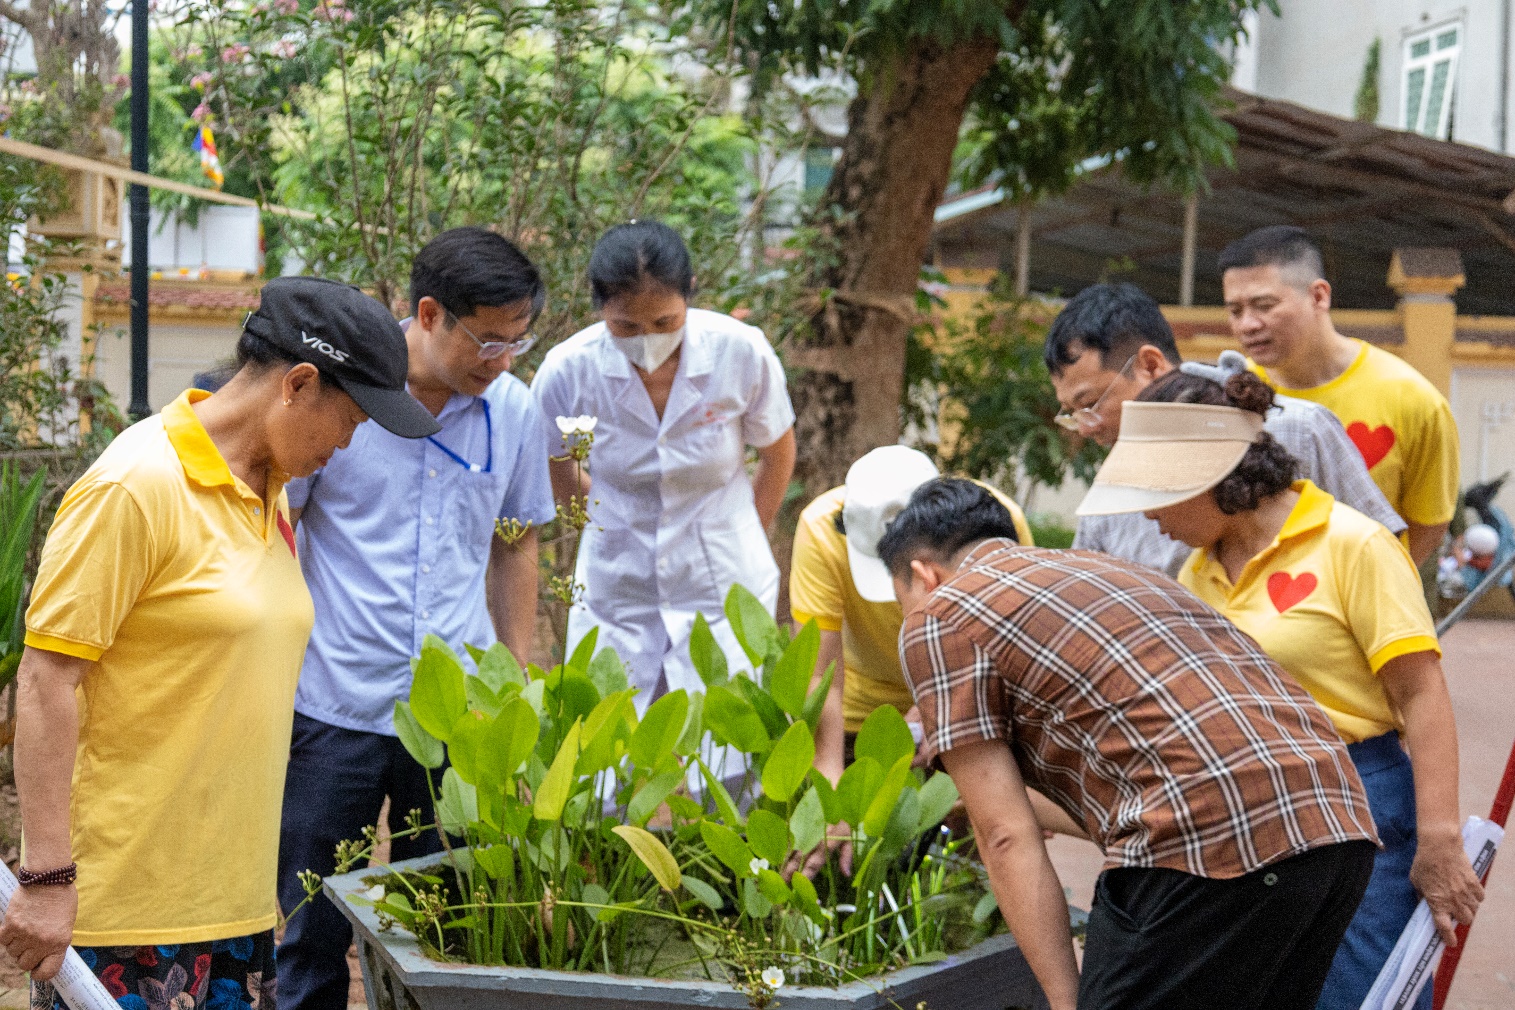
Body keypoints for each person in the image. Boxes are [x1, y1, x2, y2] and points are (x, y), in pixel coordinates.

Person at [0, 278, 435, 1006]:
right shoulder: (135, 485)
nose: (350, 442)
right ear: (299, 384)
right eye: (352, 417)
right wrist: (46, 880)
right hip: (132, 913)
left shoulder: (271, 492)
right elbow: (46, 681)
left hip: (232, 904)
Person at [885, 477, 1379, 1010]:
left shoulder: (939, 614)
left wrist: (1066, 999)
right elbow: (1147, 773)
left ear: (923, 574)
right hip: (1332, 815)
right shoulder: (1112, 571)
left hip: (1214, 836)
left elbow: (1004, 835)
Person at [1079, 372, 1485, 1010]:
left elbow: (1421, 695)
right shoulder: (1196, 572)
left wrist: (1438, 839)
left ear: (1208, 475)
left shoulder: (1353, 545)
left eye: (1154, 493)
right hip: (1250, 816)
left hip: (1359, 802)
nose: (1148, 514)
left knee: (1355, 992)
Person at [275, 228, 557, 1010]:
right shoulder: (342, 394)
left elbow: (515, 539)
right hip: (336, 701)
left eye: (517, 341)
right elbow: (282, 529)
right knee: (312, 921)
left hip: (457, 711)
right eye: (487, 341)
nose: (500, 359)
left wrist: (512, 670)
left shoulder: (513, 409)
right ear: (427, 313)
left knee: (455, 921)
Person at [532, 220, 796, 711]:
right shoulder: (569, 371)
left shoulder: (740, 352)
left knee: (723, 754)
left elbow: (778, 455)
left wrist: (746, 527)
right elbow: (556, 463)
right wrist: (605, 516)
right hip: (619, 589)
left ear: (690, 295)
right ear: (600, 309)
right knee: (615, 754)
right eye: (625, 327)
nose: (647, 341)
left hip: (723, 582)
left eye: (665, 323)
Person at [1045, 281, 1403, 576]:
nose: (1085, 428)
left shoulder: (1297, 430)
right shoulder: (1110, 492)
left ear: (1150, 365)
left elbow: (1383, 557)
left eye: (1090, 404)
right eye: (1073, 414)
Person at [788, 445, 1034, 785]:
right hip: (861, 711)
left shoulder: (992, 524)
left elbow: (1010, 646)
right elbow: (819, 673)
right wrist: (829, 783)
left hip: (968, 701)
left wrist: (939, 711)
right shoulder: (819, 529)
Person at [1219, 225, 1459, 565]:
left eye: (1264, 305)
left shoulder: (1414, 400)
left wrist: (1372, 593)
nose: (1247, 325)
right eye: (1235, 311)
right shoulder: (1229, 395)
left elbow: (1428, 525)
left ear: (1319, 296)